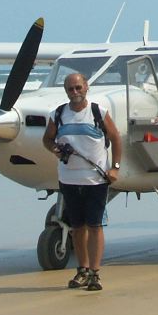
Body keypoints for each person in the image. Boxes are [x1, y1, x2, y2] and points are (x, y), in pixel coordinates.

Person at [42, 72, 122, 291]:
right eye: (70, 89)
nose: (75, 92)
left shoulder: (98, 112)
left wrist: (114, 168)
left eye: (78, 87)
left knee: (95, 226)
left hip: (96, 180)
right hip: (68, 179)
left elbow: (115, 138)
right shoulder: (58, 114)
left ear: (86, 87)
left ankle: (95, 274)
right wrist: (55, 149)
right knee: (77, 227)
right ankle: (82, 270)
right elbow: (47, 139)